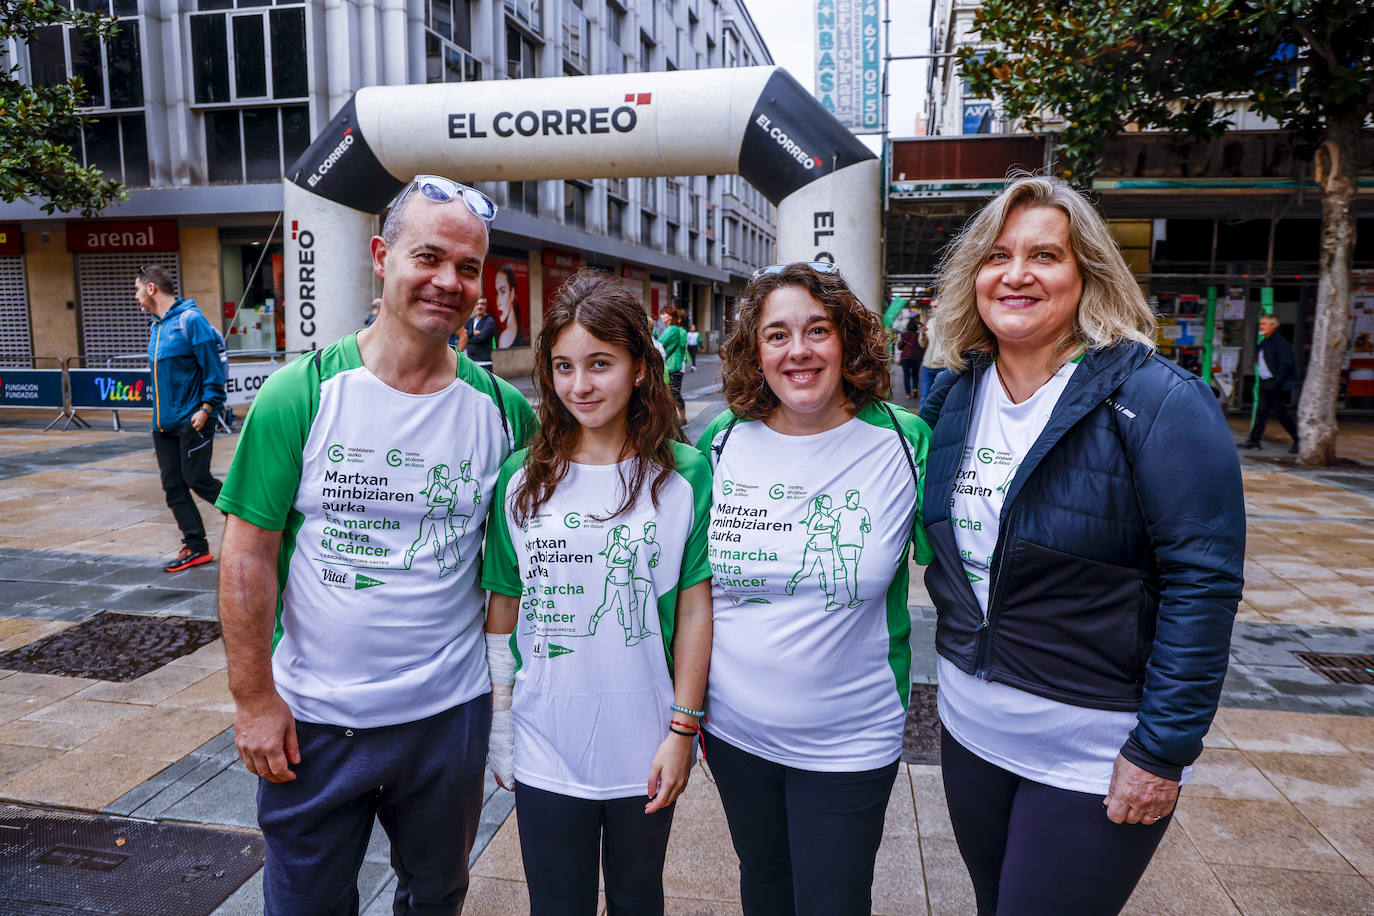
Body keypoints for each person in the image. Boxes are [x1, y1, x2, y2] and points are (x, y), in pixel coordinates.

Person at [919, 174, 1244, 915]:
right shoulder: (954, 394)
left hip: (1093, 750)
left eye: (1045, 255)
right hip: (971, 731)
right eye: (998, 255)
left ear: (1087, 273)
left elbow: (1204, 584)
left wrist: (1162, 750)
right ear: (974, 277)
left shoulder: (1159, 401)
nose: (1018, 274)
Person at [215, 174, 536, 915]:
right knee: (305, 902)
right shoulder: (302, 394)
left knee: (436, 895)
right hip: (316, 720)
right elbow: (245, 555)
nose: (448, 281)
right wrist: (253, 698)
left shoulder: (505, 412)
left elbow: (536, 556)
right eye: (429, 257)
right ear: (382, 255)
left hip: (447, 719)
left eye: (467, 267)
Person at [696, 261, 933, 915]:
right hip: (735, 731)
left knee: (832, 899)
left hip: (851, 736)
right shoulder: (721, 443)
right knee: (765, 883)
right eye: (776, 335)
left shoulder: (905, 442)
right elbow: (691, 591)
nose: (797, 351)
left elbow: (966, 577)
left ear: (847, 340)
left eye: (816, 330)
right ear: (756, 350)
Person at [482, 270, 712, 916]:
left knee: (640, 899)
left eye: (600, 364)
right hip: (545, 738)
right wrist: (501, 723)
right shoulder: (521, 477)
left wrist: (682, 730)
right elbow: (504, 607)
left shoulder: (684, 475)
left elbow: (695, 607)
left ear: (640, 368)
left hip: (646, 740)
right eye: (563, 366)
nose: (579, 385)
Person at [135, 264, 227, 573]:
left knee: (197, 480)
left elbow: (214, 368)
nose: (135, 297)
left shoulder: (191, 321)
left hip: (194, 420)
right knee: (173, 486)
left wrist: (207, 408)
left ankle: (253, 518)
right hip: (163, 425)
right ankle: (196, 546)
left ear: (151, 289)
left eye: (137, 289)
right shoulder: (157, 326)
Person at [1241, 314, 1300, 453]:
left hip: (1275, 383)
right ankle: (1254, 440)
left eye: (1265, 324)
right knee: (1261, 412)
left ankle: (1299, 440)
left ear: (1274, 325)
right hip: (1265, 381)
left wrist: (1276, 382)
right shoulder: (1264, 342)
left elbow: (1285, 364)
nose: (1261, 326)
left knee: (1281, 414)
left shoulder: (1281, 343)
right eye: (1261, 324)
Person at [657, 306, 688, 424]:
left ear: (670, 316)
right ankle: (680, 419)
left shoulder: (671, 329)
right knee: (673, 393)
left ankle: (677, 420)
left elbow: (659, 344)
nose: (661, 316)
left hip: (672, 365)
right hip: (674, 364)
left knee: (672, 394)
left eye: (663, 314)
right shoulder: (674, 329)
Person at [918, 304, 947, 410]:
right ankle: (922, 424)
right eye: (932, 306)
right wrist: (923, 334)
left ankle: (937, 424)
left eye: (936, 306)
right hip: (927, 366)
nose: (933, 309)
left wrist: (944, 357)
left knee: (940, 399)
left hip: (943, 367)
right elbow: (923, 344)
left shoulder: (950, 322)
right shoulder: (930, 322)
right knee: (924, 397)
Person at [494, 262, 523, 349]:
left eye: (503, 291)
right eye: (497, 293)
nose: (498, 302)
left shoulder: (505, 337)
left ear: (512, 293)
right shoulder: (517, 331)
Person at [464, 295, 497, 370]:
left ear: (486, 306)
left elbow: (482, 337)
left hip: (484, 362)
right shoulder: (471, 320)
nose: (479, 306)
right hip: (470, 362)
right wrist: (473, 333)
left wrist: (467, 338)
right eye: (477, 304)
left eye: (482, 304)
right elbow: (462, 333)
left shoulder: (489, 321)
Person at [897, 315, 925, 399]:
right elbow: (922, 346)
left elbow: (899, 347)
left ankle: (908, 394)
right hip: (917, 358)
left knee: (906, 375)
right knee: (915, 374)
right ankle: (915, 389)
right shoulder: (919, 335)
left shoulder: (904, 335)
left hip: (906, 358)